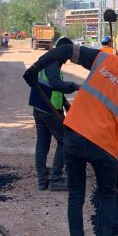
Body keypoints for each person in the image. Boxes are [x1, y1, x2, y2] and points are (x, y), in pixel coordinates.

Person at [23, 45, 118, 236]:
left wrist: (35, 68)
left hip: (75, 136)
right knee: (107, 197)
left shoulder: (104, 60)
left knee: (76, 195)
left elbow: (66, 50)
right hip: (105, 146)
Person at [28, 37, 79, 191]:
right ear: (62, 51)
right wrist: (75, 86)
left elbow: (51, 87)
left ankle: (43, 181)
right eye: (68, 53)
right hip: (48, 110)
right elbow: (56, 83)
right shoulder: (53, 63)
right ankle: (55, 179)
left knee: (42, 143)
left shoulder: (48, 61)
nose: (69, 57)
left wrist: (65, 103)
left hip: (41, 107)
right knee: (65, 140)